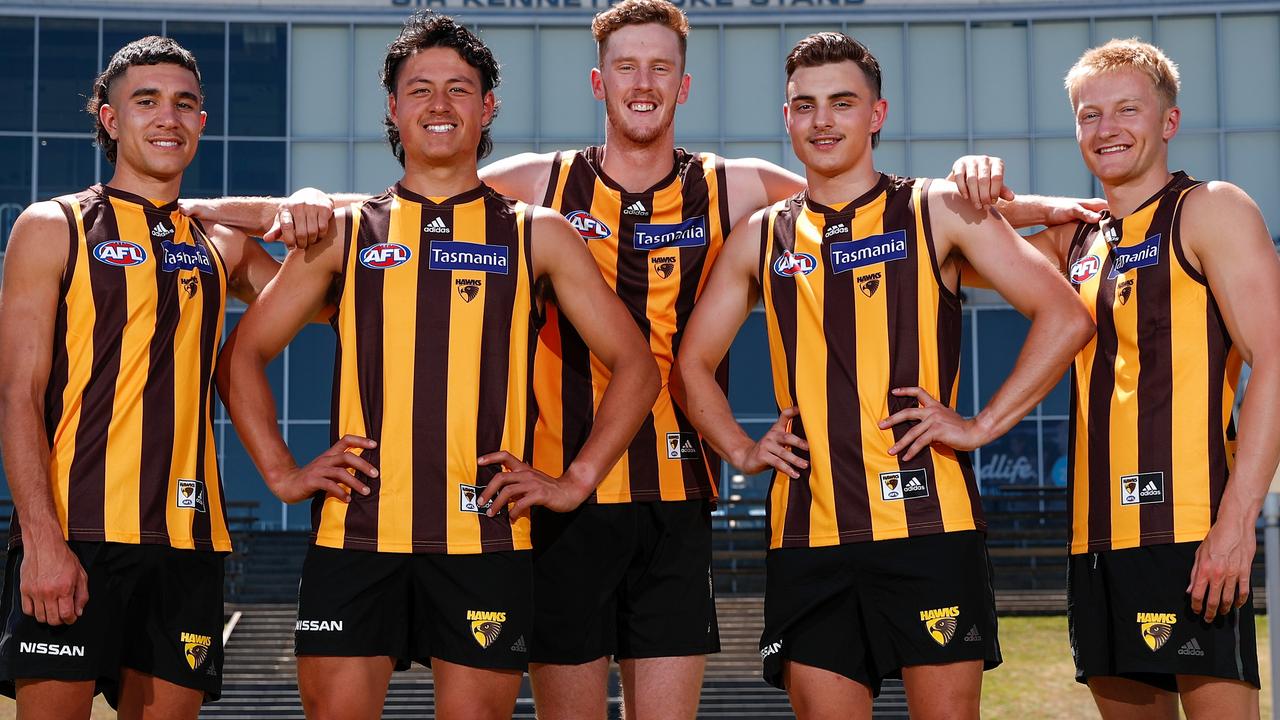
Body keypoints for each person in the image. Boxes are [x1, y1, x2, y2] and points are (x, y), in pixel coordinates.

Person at [214, 12, 658, 720]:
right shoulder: (346, 231)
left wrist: (574, 482)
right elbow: (243, 354)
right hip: (355, 533)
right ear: (393, 107)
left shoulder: (534, 231)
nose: (440, 104)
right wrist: (282, 472)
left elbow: (637, 367)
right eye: (420, 89)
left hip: (484, 535)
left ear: (488, 107)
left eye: (459, 88)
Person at [671, 31, 1094, 720]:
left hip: (930, 531)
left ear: (877, 114)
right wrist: (743, 449)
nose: (822, 120)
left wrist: (980, 424)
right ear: (787, 119)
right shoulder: (761, 234)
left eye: (842, 103)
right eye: (804, 106)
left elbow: (1065, 316)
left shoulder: (937, 209)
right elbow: (691, 363)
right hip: (806, 538)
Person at [953, 38, 1280, 719]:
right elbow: (948, 242)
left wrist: (1237, 522)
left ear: (1169, 121)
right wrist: (1014, 195)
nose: (1107, 129)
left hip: (1193, 532)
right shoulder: (1075, 242)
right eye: (1088, 115)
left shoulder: (1210, 209)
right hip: (1095, 541)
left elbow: (1275, 358)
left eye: (1127, 110)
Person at [0, 36, 323, 719]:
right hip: (76, 537)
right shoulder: (52, 225)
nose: (167, 117)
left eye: (185, 104)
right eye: (145, 102)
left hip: (188, 542)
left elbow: (330, 307)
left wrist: (292, 207)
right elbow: (18, 396)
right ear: (111, 120)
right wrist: (41, 543)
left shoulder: (219, 243)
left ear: (203, 121)